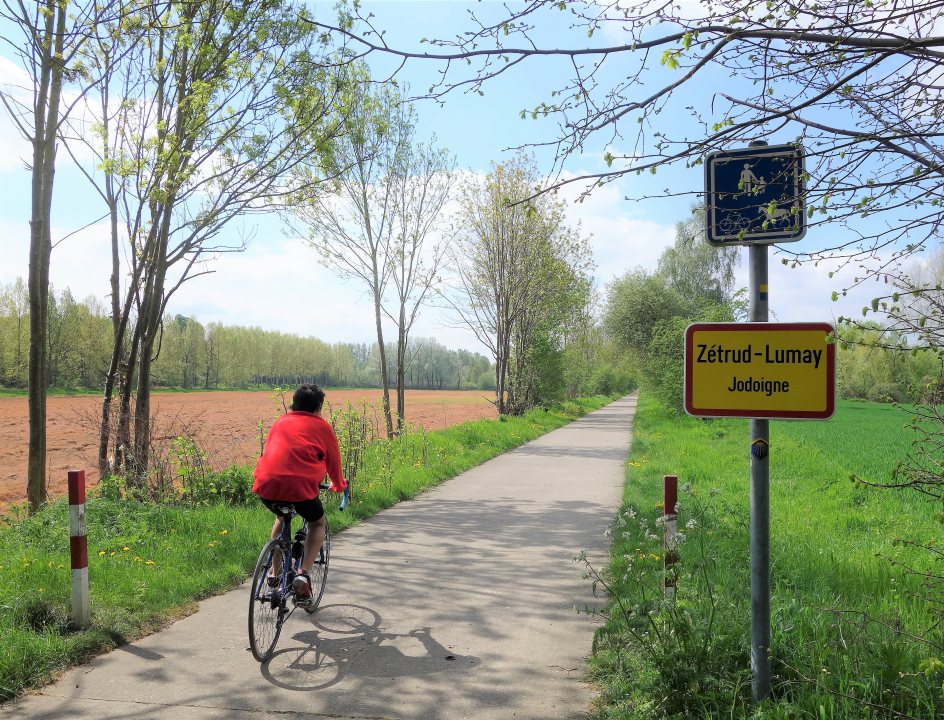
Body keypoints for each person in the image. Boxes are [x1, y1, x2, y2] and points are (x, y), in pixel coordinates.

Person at [253, 383, 346, 599]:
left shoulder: (280, 422)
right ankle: (303, 575)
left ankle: (274, 574)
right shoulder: (322, 427)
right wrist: (339, 485)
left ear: (294, 404)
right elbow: (334, 462)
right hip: (301, 488)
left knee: (281, 516)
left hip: (266, 485)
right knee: (317, 523)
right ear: (319, 406)